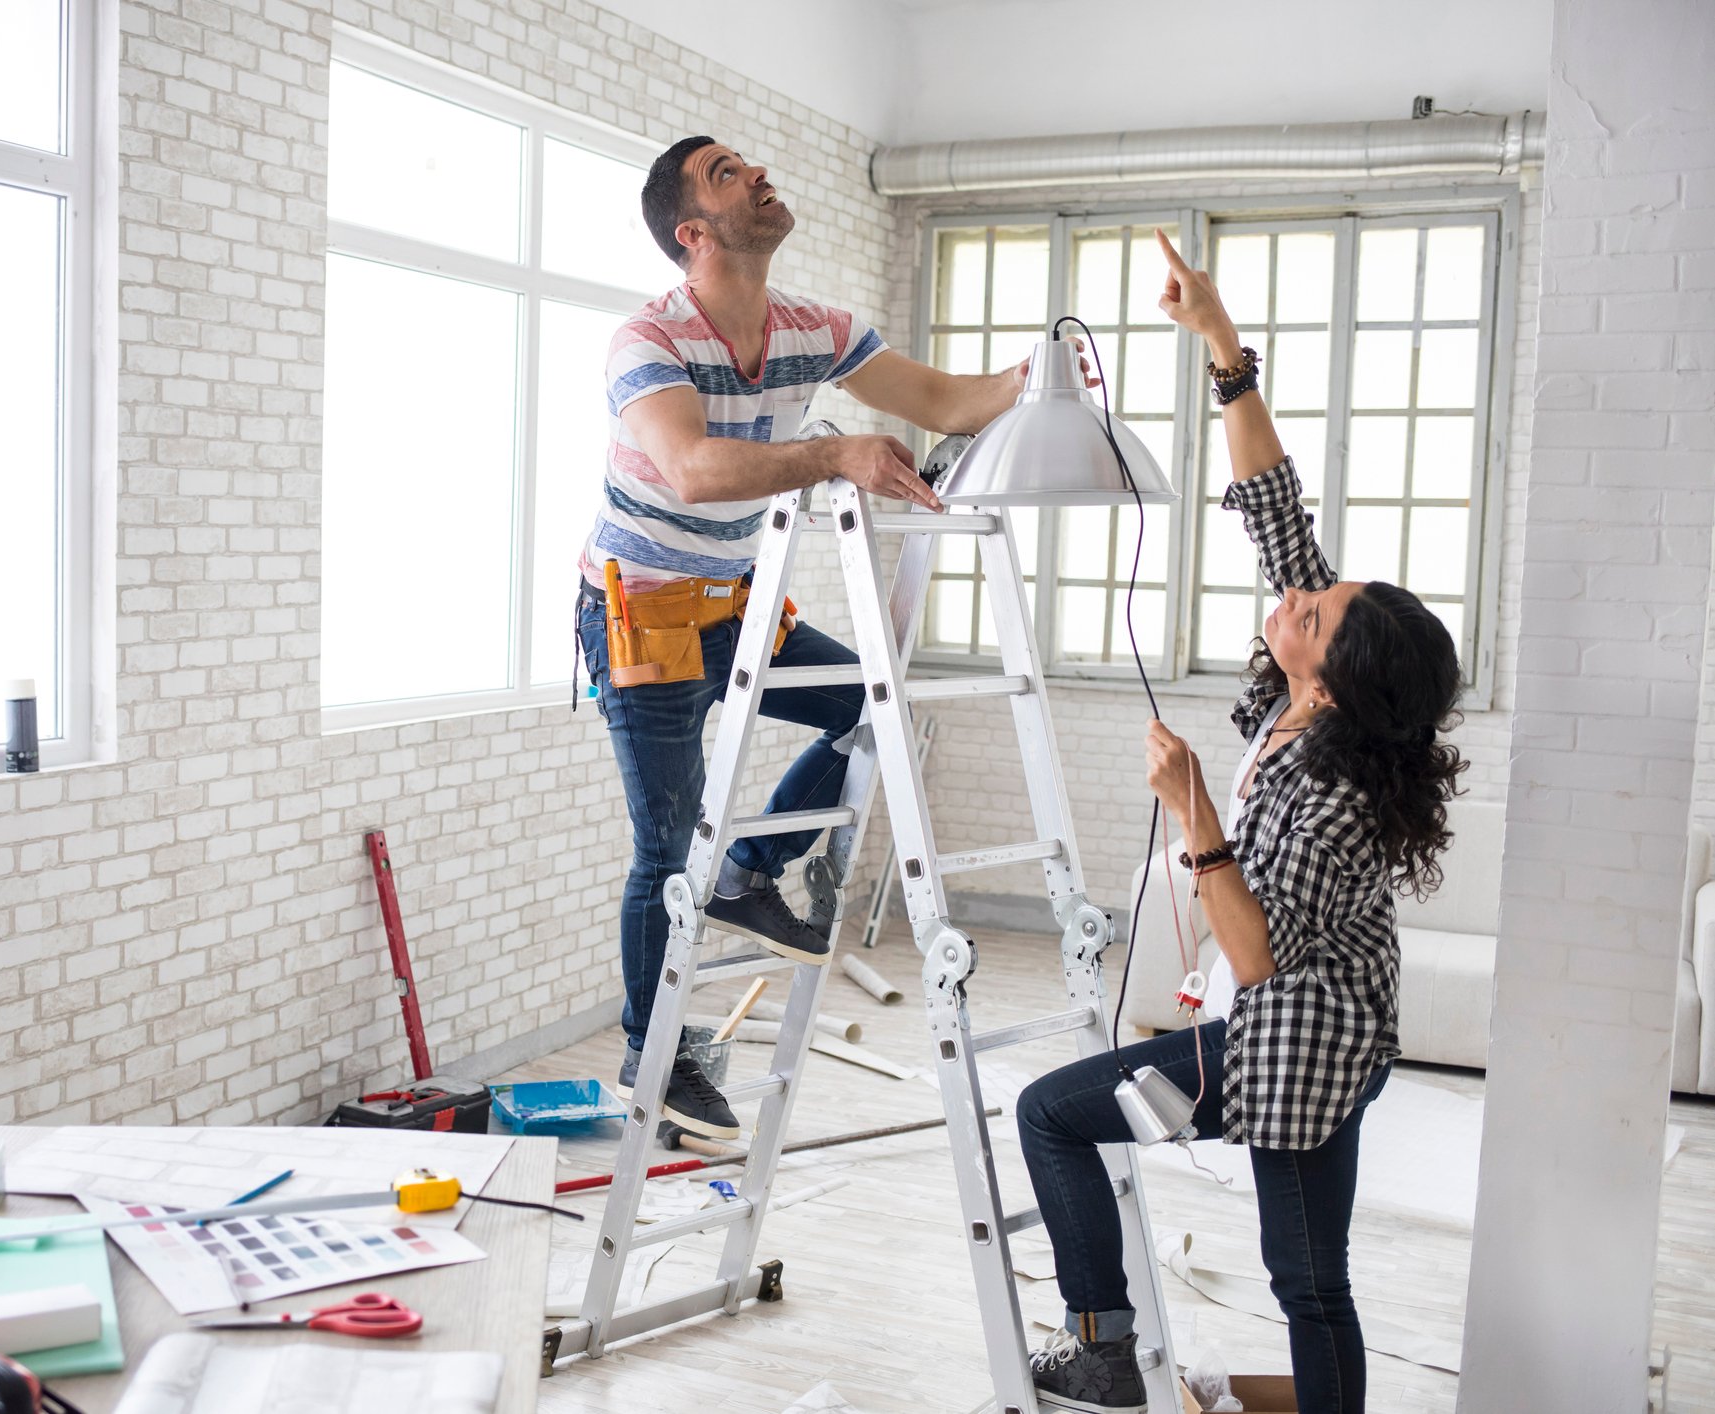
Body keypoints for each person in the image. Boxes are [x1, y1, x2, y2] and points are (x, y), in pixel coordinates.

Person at [1013, 229, 1467, 1414]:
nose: (1294, 596)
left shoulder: (1334, 791)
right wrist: (1221, 345)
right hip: (1292, 1022)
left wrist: (1197, 810)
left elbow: (1258, 954)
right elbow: (1276, 510)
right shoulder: (1308, 695)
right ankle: (1112, 1342)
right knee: (1284, 1259)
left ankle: (1107, 1350)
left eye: (1311, 609)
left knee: (1301, 1278)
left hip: (1302, 1044)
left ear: (1334, 674)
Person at [578, 136, 1076, 1140]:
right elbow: (694, 471)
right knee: (666, 840)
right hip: (642, 615)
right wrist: (836, 452)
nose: (758, 172)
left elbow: (942, 400)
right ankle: (655, 1050)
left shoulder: (812, 329)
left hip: (732, 602)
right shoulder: (650, 340)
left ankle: (756, 873)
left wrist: (1044, 379)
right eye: (727, 174)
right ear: (693, 233)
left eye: (753, 164)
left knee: (866, 706)